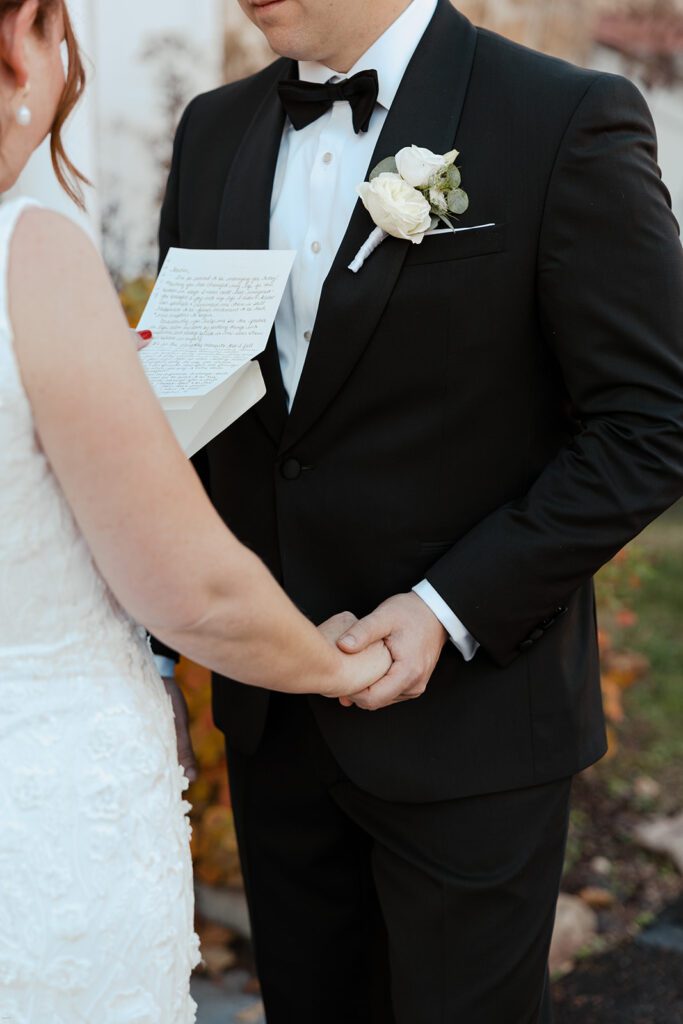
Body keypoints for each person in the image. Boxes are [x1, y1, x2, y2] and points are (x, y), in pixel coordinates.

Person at [153, 0, 683, 1021]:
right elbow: (191, 408)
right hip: (275, 720)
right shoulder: (211, 128)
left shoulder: (560, 117)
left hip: (473, 728)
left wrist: (445, 606)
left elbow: (652, 421)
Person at [0, 1, 392, 1020]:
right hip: (41, 808)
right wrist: (337, 664)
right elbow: (192, 588)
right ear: (23, 39)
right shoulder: (28, 253)